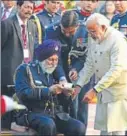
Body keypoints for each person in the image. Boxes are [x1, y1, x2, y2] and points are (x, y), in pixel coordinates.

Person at [70, 13, 127, 135]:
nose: (90, 34)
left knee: (117, 129)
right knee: (104, 129)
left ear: (103, 27)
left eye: (93, 31)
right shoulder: (93, 37)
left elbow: (116, 69)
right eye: (89, 31)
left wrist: (94, 90)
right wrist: (78, 85)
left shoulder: (117, 40)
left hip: (119, 89)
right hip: (103, 88)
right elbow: (90, 63)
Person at [14, 39, 86, 136]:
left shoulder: (53, 72)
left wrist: (66, 94)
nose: (54, 63)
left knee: (79, 127)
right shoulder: (25, 69)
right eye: (51, 59)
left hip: (53, 113)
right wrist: (48, 91)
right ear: (42, 59)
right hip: (32, 112)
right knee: (48, 125)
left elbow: (62, 101)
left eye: (56, 60)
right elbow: (23, 94)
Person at [1, 0, 36, 129]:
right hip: (9, 71)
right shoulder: (7, 24)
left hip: (26, 70)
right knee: (7, 103)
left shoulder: (32, 25)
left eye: (31, 8)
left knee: (22, 100)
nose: (29, 10)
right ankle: (4, 128)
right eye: (26, 7)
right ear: (18, 7)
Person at [68, 0, 99, 126]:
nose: (89, 3)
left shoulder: (98, 19)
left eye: (93, 1)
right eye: (87, 0)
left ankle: (81, 130)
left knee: (82, 106)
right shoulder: (71, 16)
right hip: (69, 67)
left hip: (87, 68)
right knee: (69, 106)